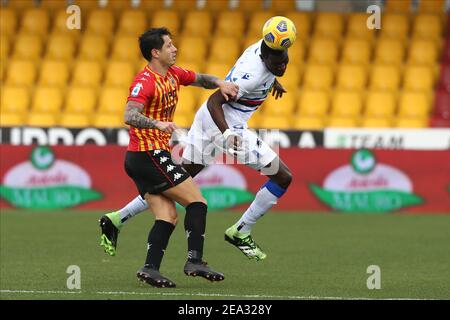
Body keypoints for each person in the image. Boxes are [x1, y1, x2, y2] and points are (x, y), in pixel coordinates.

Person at [101, 36, 293, 262]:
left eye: (285, 63)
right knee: (282, 177)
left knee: (175, 181)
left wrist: (271, 79)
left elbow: (264, 64)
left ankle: (116, 218)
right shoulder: (252, 76)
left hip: (205, 120)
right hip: (226, 125)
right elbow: (215, 101)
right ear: (264, 58)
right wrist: (228, 133)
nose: (282, 67)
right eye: (276, 64)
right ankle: (241, 231)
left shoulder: (264, 46)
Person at [102, 27, 239, 288]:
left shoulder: (174, 74)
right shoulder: (145, 81)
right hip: (148, 154)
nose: (174, 49)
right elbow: (129, 115)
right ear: (155, 52)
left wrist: (221, 82)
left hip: (144, 158)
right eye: (168, 46)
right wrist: (157, 124)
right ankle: (195, 260)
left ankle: (150, 268)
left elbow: (200, 78)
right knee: (197, 202)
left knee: (167, 216)